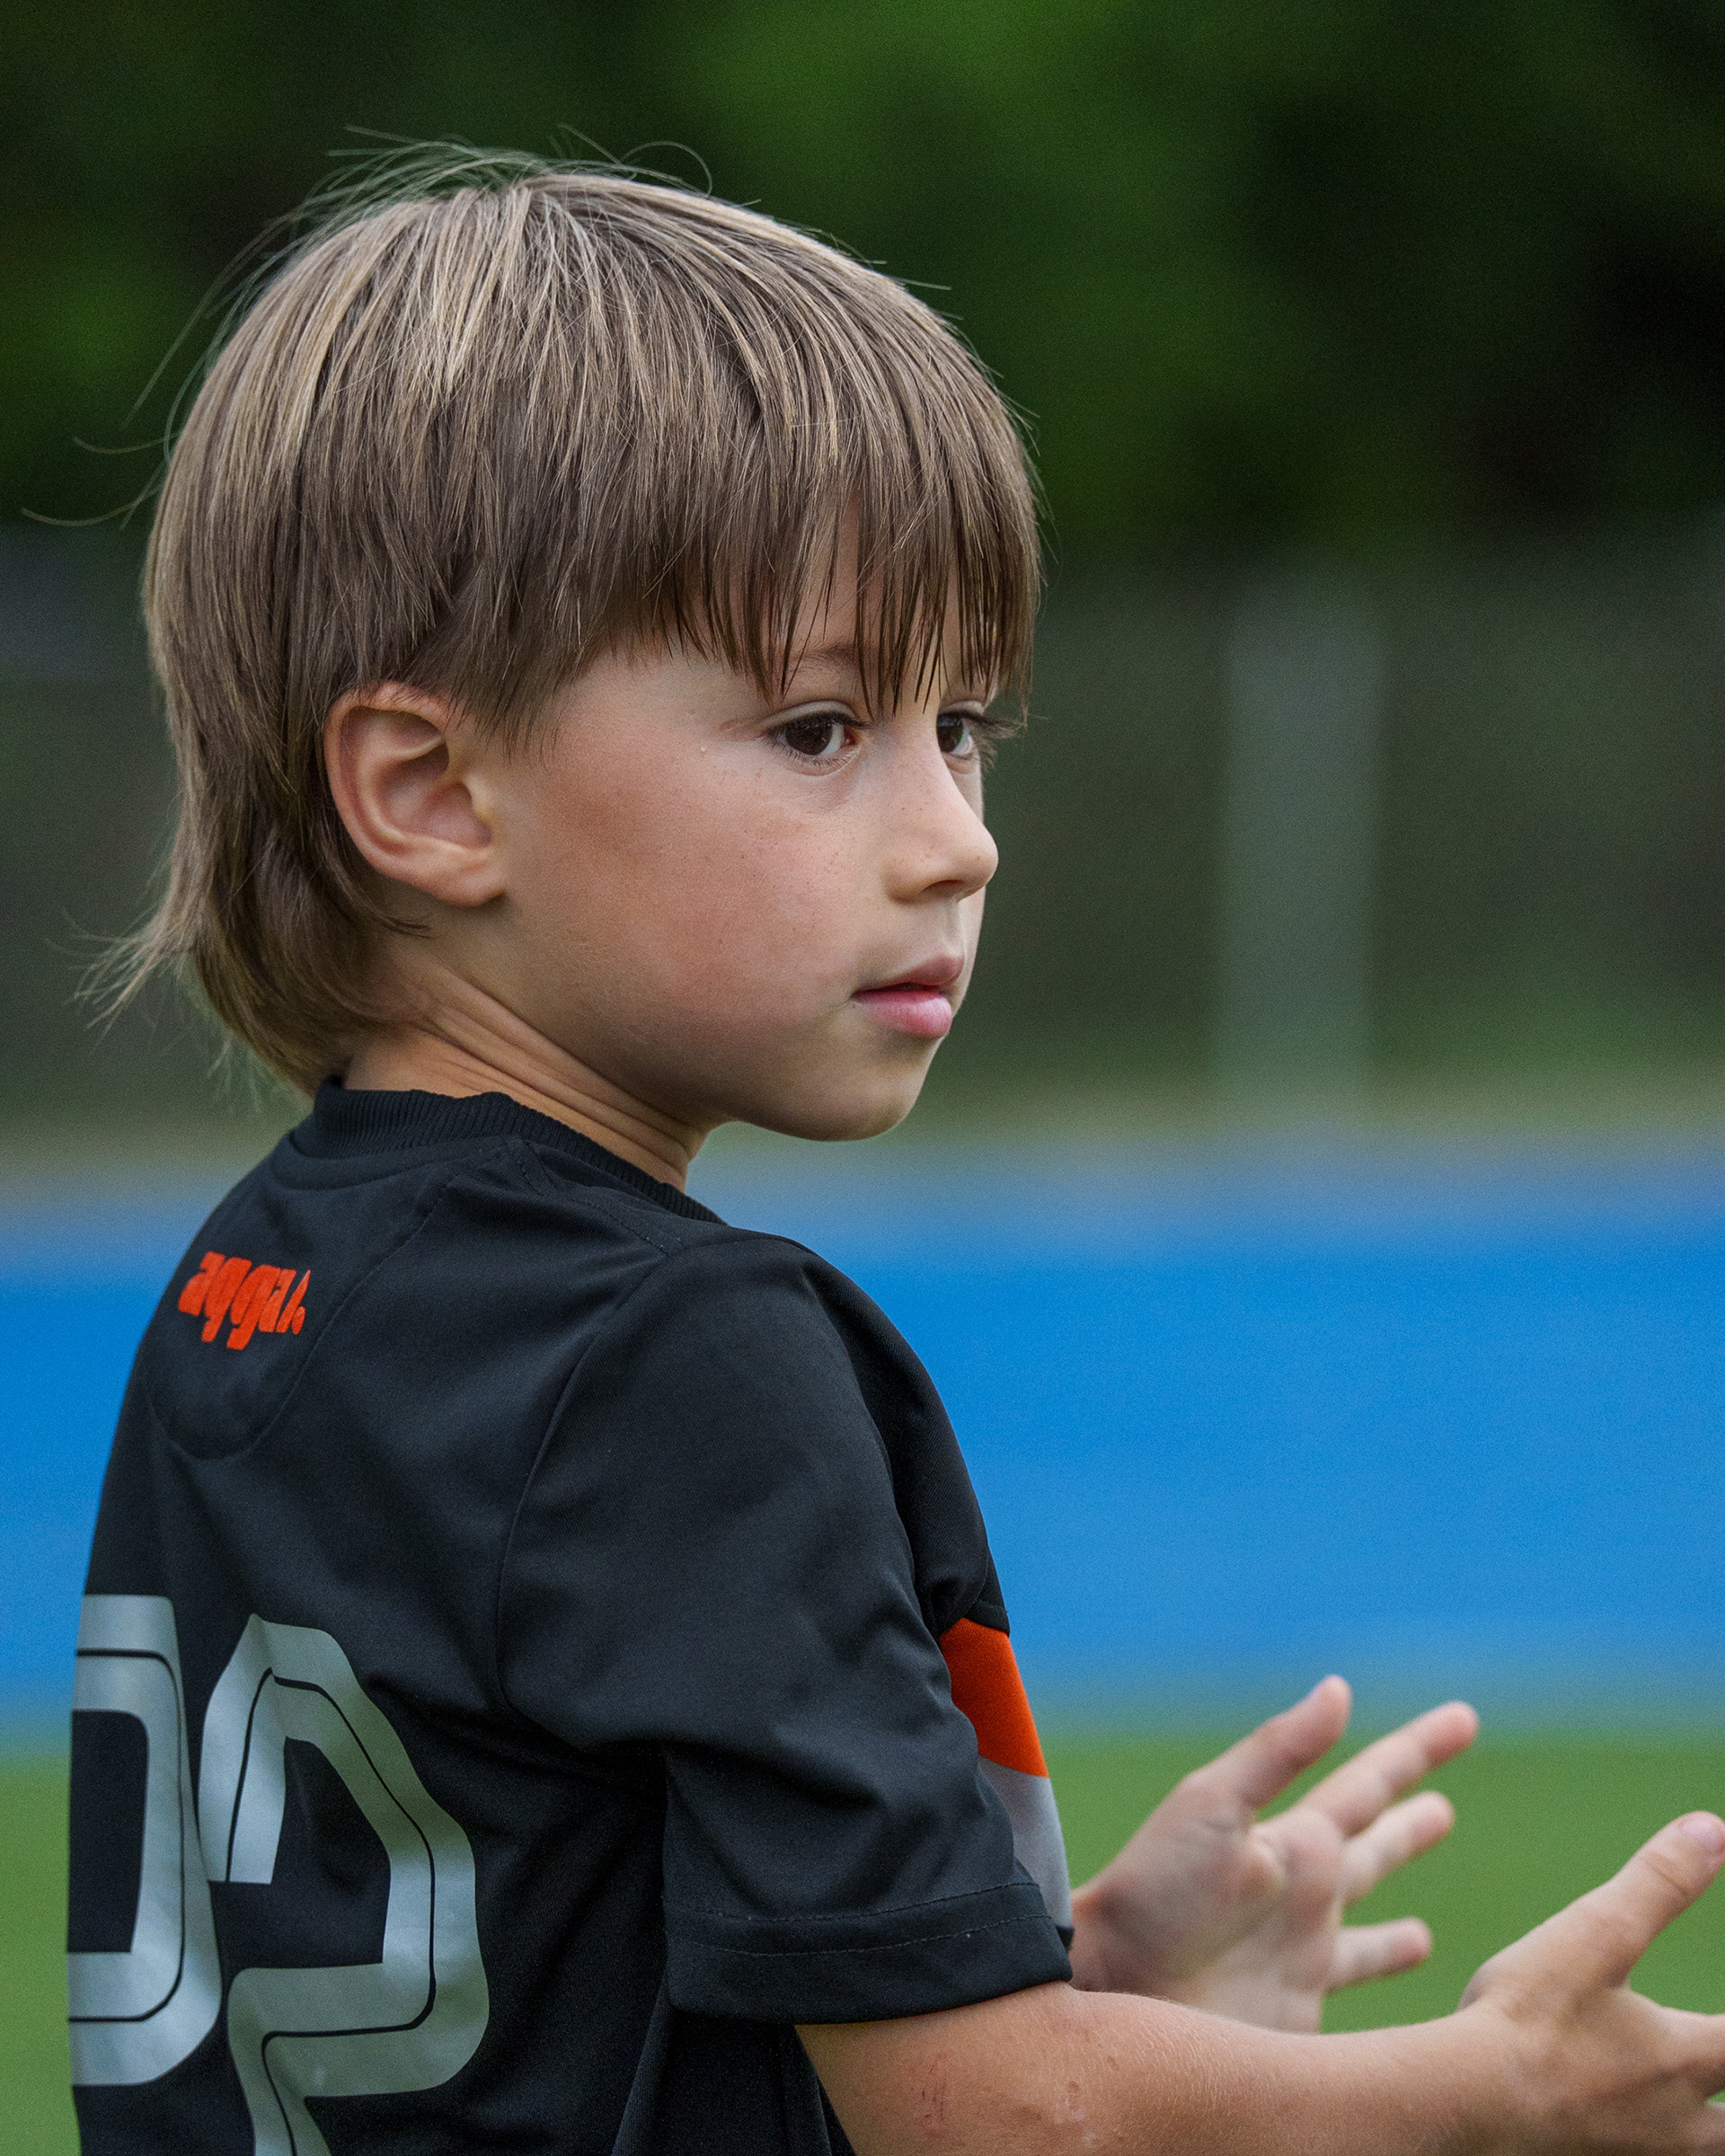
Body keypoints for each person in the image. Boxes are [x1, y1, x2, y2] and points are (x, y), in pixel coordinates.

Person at [69, 153, 1725, 2156]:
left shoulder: (248, 1283)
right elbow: (995, 2124)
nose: (958, 840)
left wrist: (1065, 1982)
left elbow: (533, 1994)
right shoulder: (683, 1357)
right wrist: (1483, 2096)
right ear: (428, 792)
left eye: (965, 728)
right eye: (819, 729)